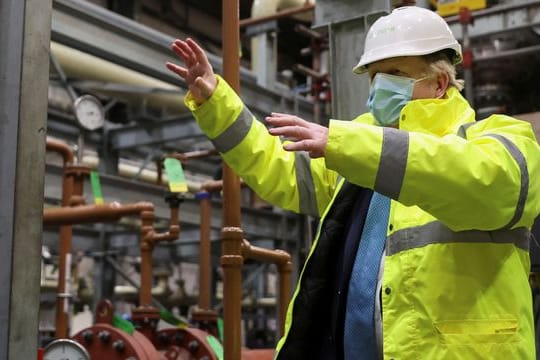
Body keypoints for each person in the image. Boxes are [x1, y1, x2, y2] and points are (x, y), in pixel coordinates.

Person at [166, 6, 540, 359]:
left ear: (440, 83)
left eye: (394, 72)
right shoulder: (357, 152)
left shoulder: (499, 138)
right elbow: (278, 168)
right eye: (375, 75)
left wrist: (348, 145)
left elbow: (480, 178)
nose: (379, 88)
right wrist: (216, 103)